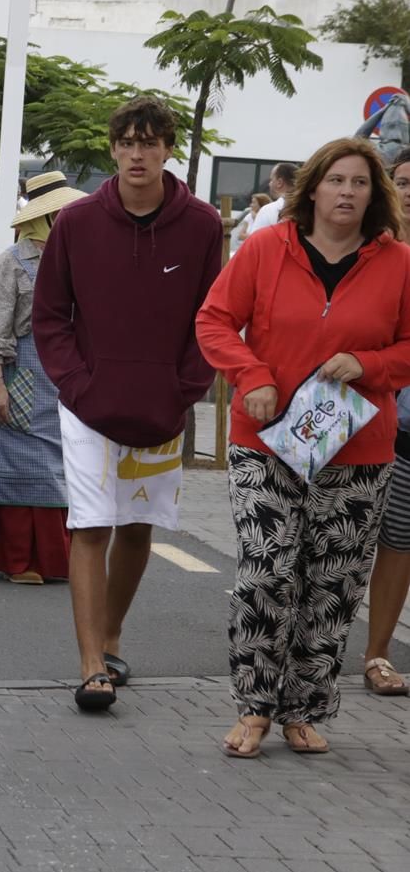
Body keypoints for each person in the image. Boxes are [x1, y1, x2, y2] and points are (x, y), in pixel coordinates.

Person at [196, 137, 410, 756]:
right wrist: (252, 376)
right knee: (267, 572)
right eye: (336, 180)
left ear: (374, 195)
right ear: (313, 188)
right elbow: (214, 320)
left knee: (333, 584)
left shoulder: (399, 262)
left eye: (360, 183)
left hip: (358, 451)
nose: (347, 192)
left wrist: (368, 364)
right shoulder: (265, 248)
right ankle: (254, 708)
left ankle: (303, 710)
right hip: (266, 442)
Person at [32, 96, 221, 713]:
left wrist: (183, 388)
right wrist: (76, 384)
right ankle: (91, 666)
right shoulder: (76, 222)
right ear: (113, 149)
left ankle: (111, 637)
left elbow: (210, 317)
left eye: (150, 142)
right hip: (87, 403)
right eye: (128, 142)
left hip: (162, 405)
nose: (138, 154)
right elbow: (50, 315)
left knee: (138, 526)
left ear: (168, 149)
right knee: (90, 523)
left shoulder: (202, 225)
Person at [0, 172, 86, 584]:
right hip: (23, 371)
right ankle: (22, 558)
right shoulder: (11, 262)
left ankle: (63, 558)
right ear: (46, 217)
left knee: (68, 463)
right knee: (27, 464)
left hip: (68, 375)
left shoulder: (79, 258)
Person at [360, 155, 410, 699]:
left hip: (406, 429)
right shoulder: (367, 249)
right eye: (402, 183)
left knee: (399, 540)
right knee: (340, 544)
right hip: (355, 422)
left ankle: (378, 653)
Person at [244, 162, 297, 236]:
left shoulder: (268, 210)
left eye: (271, 180)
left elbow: (255, 240)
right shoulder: (309, 208)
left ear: (279, 183)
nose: (269, 184)